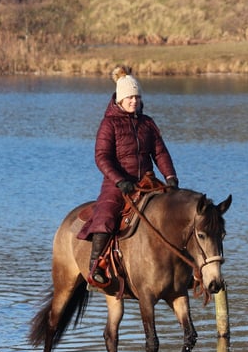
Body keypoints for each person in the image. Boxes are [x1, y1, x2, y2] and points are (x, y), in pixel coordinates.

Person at [77, 66, 179, 286]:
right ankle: (95, 267)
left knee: (174, 212)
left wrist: (170, 177)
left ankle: (178, 269)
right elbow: (102, 157)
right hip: (118, 184)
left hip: (148, 182)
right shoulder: (109, 124)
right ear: (120, 99)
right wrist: (119, 180)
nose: (134, 101)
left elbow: (160, 152)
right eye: (130, 97)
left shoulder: (148, 123)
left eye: (137, 97)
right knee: (106, 216)